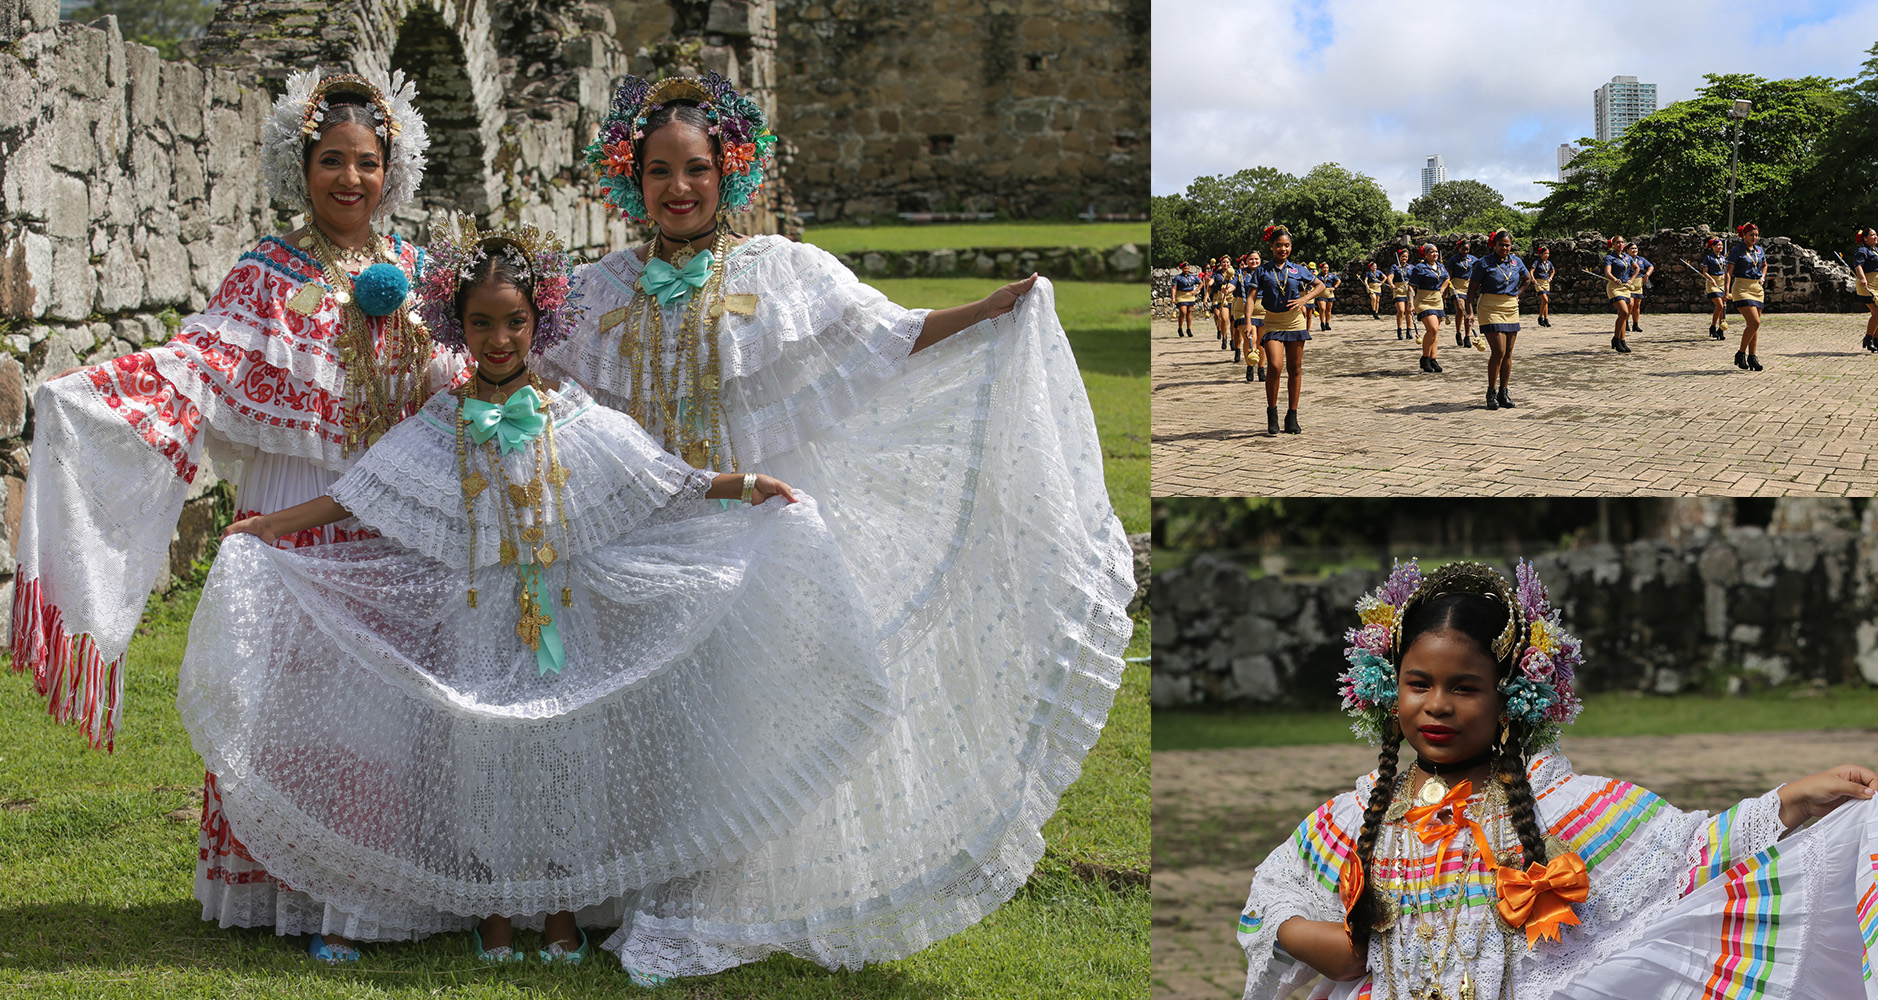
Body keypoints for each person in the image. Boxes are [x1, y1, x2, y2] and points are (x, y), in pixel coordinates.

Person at [546, 72, 1136, 984]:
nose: (678, 189)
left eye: (696, 169)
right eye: (657, 171)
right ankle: (632, 883)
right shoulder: (594, 291)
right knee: (648, 712)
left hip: (748, 536)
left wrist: (983, 315)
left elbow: (881, 340)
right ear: (629, 178)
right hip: (636, 538)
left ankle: (719, 890)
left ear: (729, 170)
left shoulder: (782, 270)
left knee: (736, 714)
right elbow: (531, 372)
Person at [192, 219, 869, 971]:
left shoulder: (570, 412)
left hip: (557, 617)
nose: (499, 339)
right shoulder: (441, 420)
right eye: (481, 323)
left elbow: (657, 476)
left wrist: (743, 486)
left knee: (560, 755)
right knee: (481, 757)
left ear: (538, 320)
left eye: (514, 322)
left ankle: (559, 907)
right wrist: (270, 526)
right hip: (476, 619)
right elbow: (361, 492)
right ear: (459, 326)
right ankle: (494, 910)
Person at [7, 69, 466, 962]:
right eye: (331, 160)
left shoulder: (417, 274)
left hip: (391, 514)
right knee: (292, 701)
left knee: (383, 704)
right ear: (298, 168)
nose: (349, 179)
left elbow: (459, 371)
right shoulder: (266, 270)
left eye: (367, 162)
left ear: (393, 170)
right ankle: (295, 888)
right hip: (288, 507)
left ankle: (374, 888)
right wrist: (99, 395)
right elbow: (202, 362)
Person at [1237, 558, 1878, 1000]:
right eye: (1419, 684)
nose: (1437, 705)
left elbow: (1691, 850)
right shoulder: (1353, 819)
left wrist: (1793, 802)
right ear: (1388, 688)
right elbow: (1271, 895)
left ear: (1513, 697)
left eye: (1465, 687)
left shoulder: (1566, 806)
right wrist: (1321, 941)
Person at [1248, 225, 1325, 436]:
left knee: (1295, 368)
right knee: (1274, 365)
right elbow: (1251, 297)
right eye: (1279, 245)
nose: (1283, 249)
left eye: (1287, 245)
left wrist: (1304, 299)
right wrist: (1247, 321)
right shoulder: (1262, 270)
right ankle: (1272, 412)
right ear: (1271, 246)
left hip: (1295, 322)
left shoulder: (1297, 269)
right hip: (1272, 322)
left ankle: (1292, 415)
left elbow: (1320, 285)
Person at [1470, 231, 1529, 410]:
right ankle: (1491, 392)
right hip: (1490, 307)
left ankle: (1504, 392)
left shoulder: (1516, 262)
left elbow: (1527, 279)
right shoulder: (1483, 263)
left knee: (1509, 352)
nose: (1504, 248)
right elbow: (1471, 290)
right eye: (1501, 244)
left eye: (1507, 245)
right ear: (1494, 245)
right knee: (1499, 351)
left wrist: (1517, 294)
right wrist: (1469, 312)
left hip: (1510, 306)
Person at [1727, 222, 1768, 371]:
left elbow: (1764, 265)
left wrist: (1762, 278)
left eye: (1756, 235)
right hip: (1741, 287)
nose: (1754, 237)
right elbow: (1728, 272)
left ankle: (1752, 357)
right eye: (1751, 235)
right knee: (1754, 322)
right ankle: (1740, 353)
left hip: (1757, 288)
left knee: (1753, 326)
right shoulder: (1737, 251)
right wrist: (1726, 291)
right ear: (1744, 235)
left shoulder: (1759, 250)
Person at [1406, 244, 1451, 373]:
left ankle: (1433, 358)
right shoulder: (1420, 268)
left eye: (1436, 251)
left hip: (1437, 300)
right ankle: (1425, 358)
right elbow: (1411, 286)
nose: (1435, 254)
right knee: (1432, 328)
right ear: (1425, 254)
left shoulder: (1441, 266)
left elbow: (1447, 278)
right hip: (1423, 301)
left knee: (1435, 332)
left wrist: (1442, 290)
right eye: (1431, 252)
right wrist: (1410, 303)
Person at [1854, 227, 1878, 354]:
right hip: (1869, 286)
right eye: (1873, 235)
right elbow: (1858, 265)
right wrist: (1862, 278)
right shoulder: (1862, 251)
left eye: (1876, 235)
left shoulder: (1877, 250)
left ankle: (1877, 342)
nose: (1876, 237)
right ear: (1865, 238)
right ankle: (1868, 338)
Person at [1601, 235, 1637, 353]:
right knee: (1624, 312)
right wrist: (1614, 278)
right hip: (1614, 288)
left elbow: (1636, 268)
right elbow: (1607, 272)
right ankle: (1616, 338)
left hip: (1625, 287)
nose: (1620, 244)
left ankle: (1622, 341)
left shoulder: (1627, 257)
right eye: (1617, 242)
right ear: (1613, 244)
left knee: (1623, 315)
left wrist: (1631, 280)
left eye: (1622, 242)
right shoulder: (1610, 257)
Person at [1446, 239, 1476, 346]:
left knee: (1467, 311)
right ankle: (1458, 333)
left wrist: (1473, 276)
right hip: (1456, 286)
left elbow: (1480, 267)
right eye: (1463, 249)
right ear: (1459, 248)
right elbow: (1449, 275)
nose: (1465, 251)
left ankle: (1467, 336)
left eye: (1467, 249)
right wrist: (1446, 289)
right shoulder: (1453, 260)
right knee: (1460, 308)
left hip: (1468, 287)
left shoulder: (1472, 259)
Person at [1700, 235, 1729, 340]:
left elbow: (1726, 270)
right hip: (1712, 284)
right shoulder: (1709, 258)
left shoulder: (1723, 258)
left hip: (1721, 283)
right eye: (1718, 245)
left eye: (1721, 245)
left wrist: (1725, 275)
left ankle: (1721, 330)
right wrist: (1711, 279)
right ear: (1713, 246)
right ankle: (1713, 326)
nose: (1720, 247)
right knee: (1720, 306)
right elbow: (1705, 272)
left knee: (1723, 308)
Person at [1386, 248, 1414, 340]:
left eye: (1406, 257)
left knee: (1409, 311)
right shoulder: (1395, 266)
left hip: (1408, 289)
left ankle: (1409, 331)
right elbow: (1390, 277)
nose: (1404, 258)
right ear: (1399, 257)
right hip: (1398, 289)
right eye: (1403, 256)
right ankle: (1399, 330)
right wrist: (1391, 284)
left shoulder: (1411, 267)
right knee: (1401, 310)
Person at [1626, 242, 1653, 333]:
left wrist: (1647, 275)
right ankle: (1625, 322)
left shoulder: (1641, 260)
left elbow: (1651, 266)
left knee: (1637, 305)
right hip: (1629, 282)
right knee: (1630, 304)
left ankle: (1635, 324)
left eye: (1636, 248)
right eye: (1632, 248)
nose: (1634, 250)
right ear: (1627, 250)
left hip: (1639, 283)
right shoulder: (1625, 259)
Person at [1527, 244, 1554, 327]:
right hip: (1538, 282)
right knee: (1545, 300)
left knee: (1545, 301)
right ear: (1541, 254)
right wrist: (1533, 278)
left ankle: (1546, 319)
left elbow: (1553, 271)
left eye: (1548, 253)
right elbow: (1531, 271)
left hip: (1546, 282)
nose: (1547, 255)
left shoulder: (1549, 263)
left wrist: (1550, 278)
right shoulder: (1537, 262)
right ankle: (1540, 317)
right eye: (1545, 253)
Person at [1171, 260, 1199, 336]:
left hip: (1190, 295)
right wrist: (1173, 298)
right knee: (1183, 312)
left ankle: (1189, 329)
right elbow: (1174, 288)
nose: (1187, 270)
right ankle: (1180, 328)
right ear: (1182, 269)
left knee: (1189, 312)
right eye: (1185, 268)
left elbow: (1201, 283)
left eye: (1188, 268)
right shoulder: (1178, 277)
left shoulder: (1193, 276)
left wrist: (1196, 290)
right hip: (1181, 296)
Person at [1315, 261, 1339, 331]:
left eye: (1327, 268)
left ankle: (1327, 323)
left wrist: (1334, 287)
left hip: (1329, 293)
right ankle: (1322, 323)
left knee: (1329, 309)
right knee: (1322, 308)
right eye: (1324, 268)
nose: (1325, 269)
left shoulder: (1331, 275)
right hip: (1321, 293)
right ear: (1321, 268)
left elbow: (1338, 280)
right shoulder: (1318, 276)